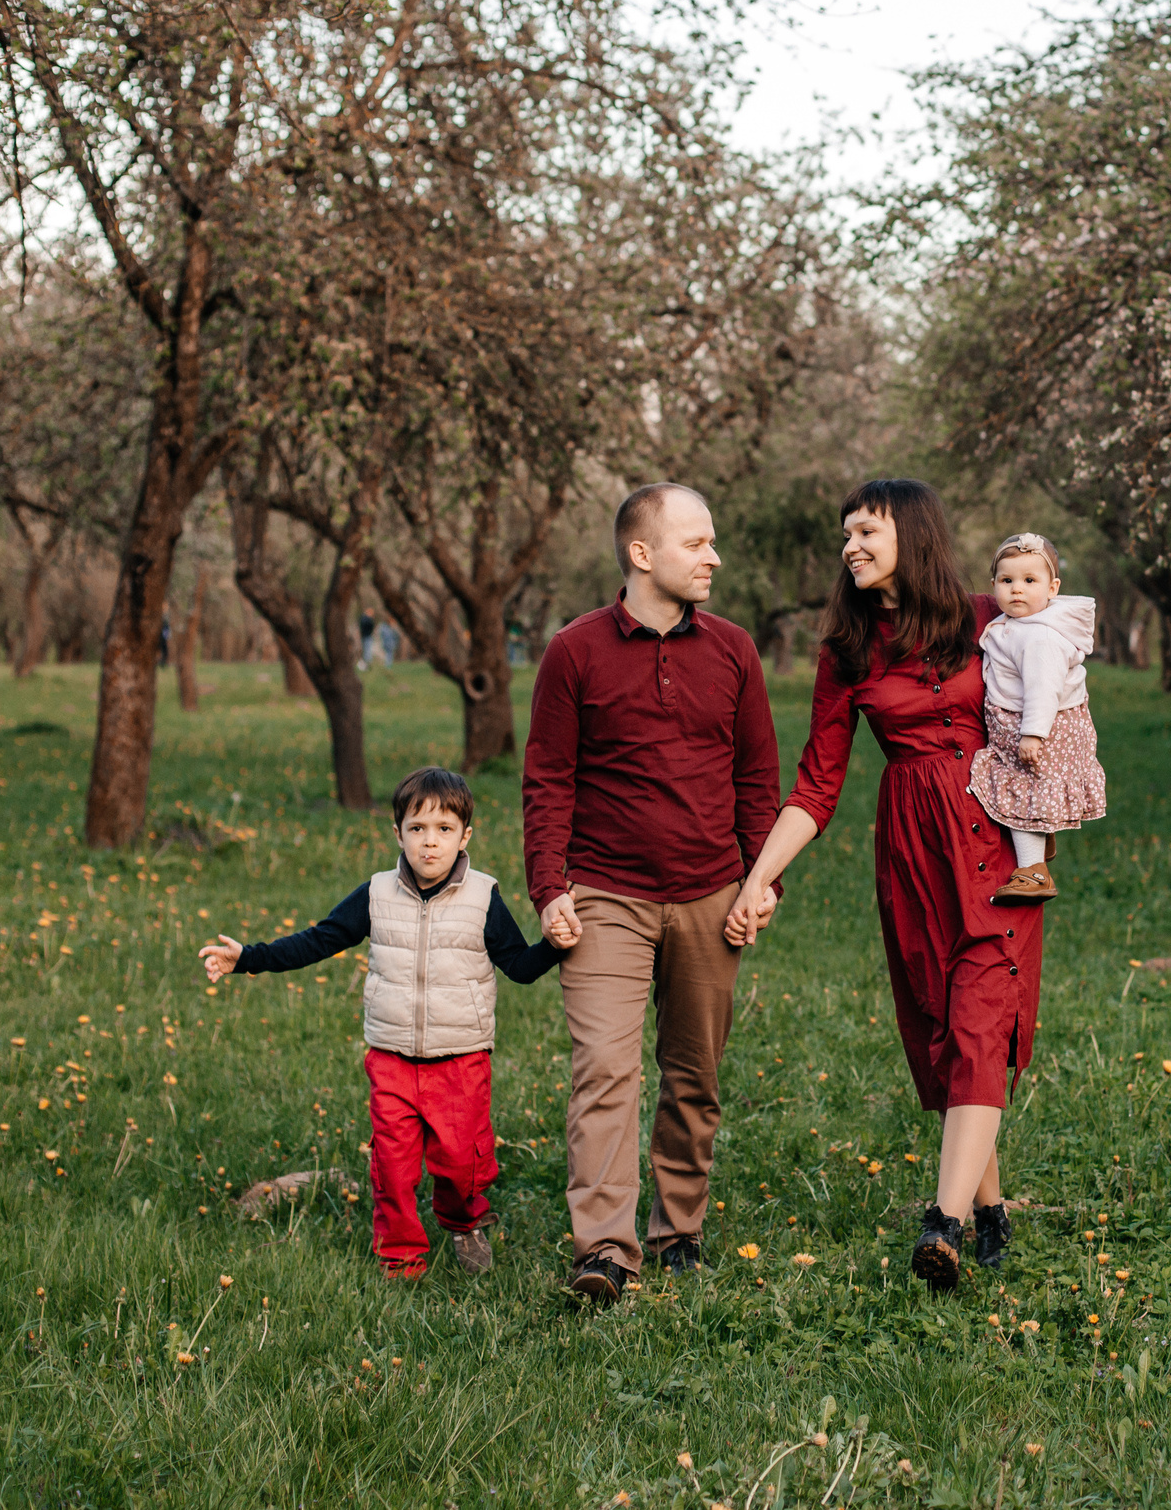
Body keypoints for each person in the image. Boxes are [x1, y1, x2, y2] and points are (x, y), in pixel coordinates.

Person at [726, 478, 1045, 1290]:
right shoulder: (848, 650)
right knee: (944, 1026)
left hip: (998, 837)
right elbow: (815, 785)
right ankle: (994, 1211)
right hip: (913, 846)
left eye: (865, 531)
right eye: (845, 536)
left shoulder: (986, 615)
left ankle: (942, 1222)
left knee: (980, 1013)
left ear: (912, 531)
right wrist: (759, 877)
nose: (850, 547)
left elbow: (1063, 646)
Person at [522, 482, 782, 1305]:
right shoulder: (575, 650)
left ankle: (679, 1229)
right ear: (642, 554)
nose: (715, 557)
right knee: (604, 1068)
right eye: (697, 543)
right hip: (606, 896)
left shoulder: (735, 650)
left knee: (693, 1071)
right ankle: (605, 1247)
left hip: (712, 894)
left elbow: (757, 778)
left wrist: (760, 878)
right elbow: (547, 779)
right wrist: (549, 888)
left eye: (713, 542)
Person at [198, 766, 558, 1280]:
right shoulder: (376, 894)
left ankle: (462, 1219)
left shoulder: (483, 897)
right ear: (398, 833)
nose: (429, 843)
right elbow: (318, 939)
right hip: (391, 1060)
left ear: (465, 836)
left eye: (443, 830)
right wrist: (249, 958)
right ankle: (402, 1258)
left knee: (462, 1165)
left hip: (461, 1062)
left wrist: (555, 947)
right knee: (391, 1167)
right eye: (417, 829)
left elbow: (520, 968)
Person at [965, 532, 1107, 902]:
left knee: (1023, 788)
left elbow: (1044, 689)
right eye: (1007, 580)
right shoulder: (1018, 627)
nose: (1017, 590)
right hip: (1025, 724)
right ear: (993, 583)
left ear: (1052, 587)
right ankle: (1041, 839)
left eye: (1030, 581)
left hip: (1041, 728)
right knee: (1028, 788)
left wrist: (1033, 734)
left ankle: (1033, 872)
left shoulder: (1041, 636)